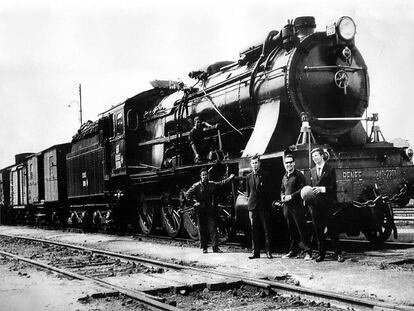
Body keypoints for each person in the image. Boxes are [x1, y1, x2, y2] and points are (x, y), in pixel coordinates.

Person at [186, 168, 234, 253]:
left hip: (209, 209)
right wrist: (194, 203)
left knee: (213, 228)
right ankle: (204, 247)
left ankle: (215, 247)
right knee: (202, 229)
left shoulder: (211, 184)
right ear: (200, 176)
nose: (204, 176)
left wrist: (229, 179)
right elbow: (187, 194)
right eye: (203, 175)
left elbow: (220, 183)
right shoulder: (196, 186)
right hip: (200, 210)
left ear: (208, 175)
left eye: (206, 174)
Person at [308, 148, 344, 262]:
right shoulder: (312, 170)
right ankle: (321, 254)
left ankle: (338, 254)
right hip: (316, 205)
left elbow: (333, 188)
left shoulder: (330, 169)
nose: (314, 158)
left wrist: (321, 189)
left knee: (333, 230)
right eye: (313, 156)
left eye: (316, 156)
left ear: (322, 156)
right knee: (319, 231)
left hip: (327, 205)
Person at [280, 154, 312, 260]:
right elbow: (282, 189)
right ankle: (293, 251)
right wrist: (283, 196)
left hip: (297, 207)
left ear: (294, 163)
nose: (288, 164)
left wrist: (291, 196)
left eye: (290, 162)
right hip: (287, 207)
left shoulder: (299, 175)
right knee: (291, 229)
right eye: (286, 163)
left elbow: (303, 190)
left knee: (301, 229)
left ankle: (308, 252)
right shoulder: (284, 176)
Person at [246, 155, 273, 259]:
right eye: (253, 163)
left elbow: (270, 191)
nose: (254, 165)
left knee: (266, 229)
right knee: (254, 230)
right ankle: (255, 252)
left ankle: (268, 252)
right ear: (250, 164)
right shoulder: (248, 177)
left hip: (263, 206)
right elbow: (248, 192)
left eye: (256, 163)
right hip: (253, 207)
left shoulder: (266, 175)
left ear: (259, 163)